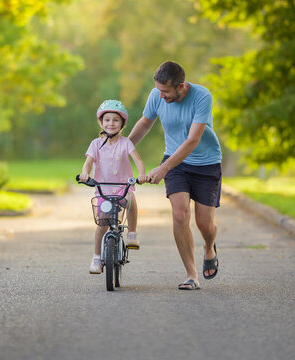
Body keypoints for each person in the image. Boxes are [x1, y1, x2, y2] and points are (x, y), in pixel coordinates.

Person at [129, 61, 222, 290]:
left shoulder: (202, 97)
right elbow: (144, 123)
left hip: (206, 163)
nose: (160, 96)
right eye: (158, 90)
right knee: (180, 215)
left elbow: (192, 140)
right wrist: (122, 149)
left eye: (165, 91)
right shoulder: (156, 95)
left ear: (181, 87)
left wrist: (163, 168)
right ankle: (191, 275)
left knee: (204, 224)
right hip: (175, 163)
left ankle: (209, 247)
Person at [79, 99, 149, 274]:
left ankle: (132, 233)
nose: (111, 123)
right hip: (103, 189)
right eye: (107, 120)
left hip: (122, 187)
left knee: (131, 199)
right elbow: (88, 163)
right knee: (102, 224)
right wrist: (85, 174)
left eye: (115, 120)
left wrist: (142, 174)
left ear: (122, 123)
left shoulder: (126, 143)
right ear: (101, 122)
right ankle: (96, 258)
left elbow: (138, 161)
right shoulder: (95, 144)